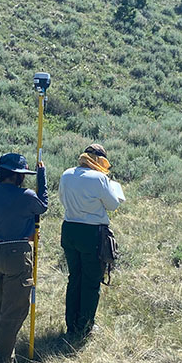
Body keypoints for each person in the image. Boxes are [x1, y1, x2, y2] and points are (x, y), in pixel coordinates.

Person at [0, 152, 47, 363]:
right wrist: (42, 177)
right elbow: (43, 206)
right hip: (17, 255)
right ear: (18, 176)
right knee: (12, 311)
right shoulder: (26, 195)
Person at [58, 143, 125, 340]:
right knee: (91, 281)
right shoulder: (100, 179)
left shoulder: (66, 174)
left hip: (69, 230)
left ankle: (71, 325)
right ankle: (85, 327)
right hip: (92, 234)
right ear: (100, 160)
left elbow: (62, 199)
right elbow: (113, 205)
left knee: (74, 278)